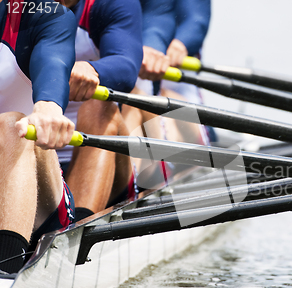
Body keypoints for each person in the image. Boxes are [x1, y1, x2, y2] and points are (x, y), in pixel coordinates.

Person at [0, 0, 77, 274]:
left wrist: (48, 107)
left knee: (13, 124)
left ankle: (6, 266)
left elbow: (52, 61)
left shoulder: (45, 15)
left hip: (41, 202)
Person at [55, 0, 143, 221]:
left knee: (99, 105)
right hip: (33, 151)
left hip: (96, 154)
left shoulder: (108, 5)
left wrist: (91, 68)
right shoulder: (16, 9)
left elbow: (127, 66)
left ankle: (78, 228)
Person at [123, 0, 211, 188]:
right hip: (136, 102)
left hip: (183, 105)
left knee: (153, 99)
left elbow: (197, 21)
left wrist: (179, 45)